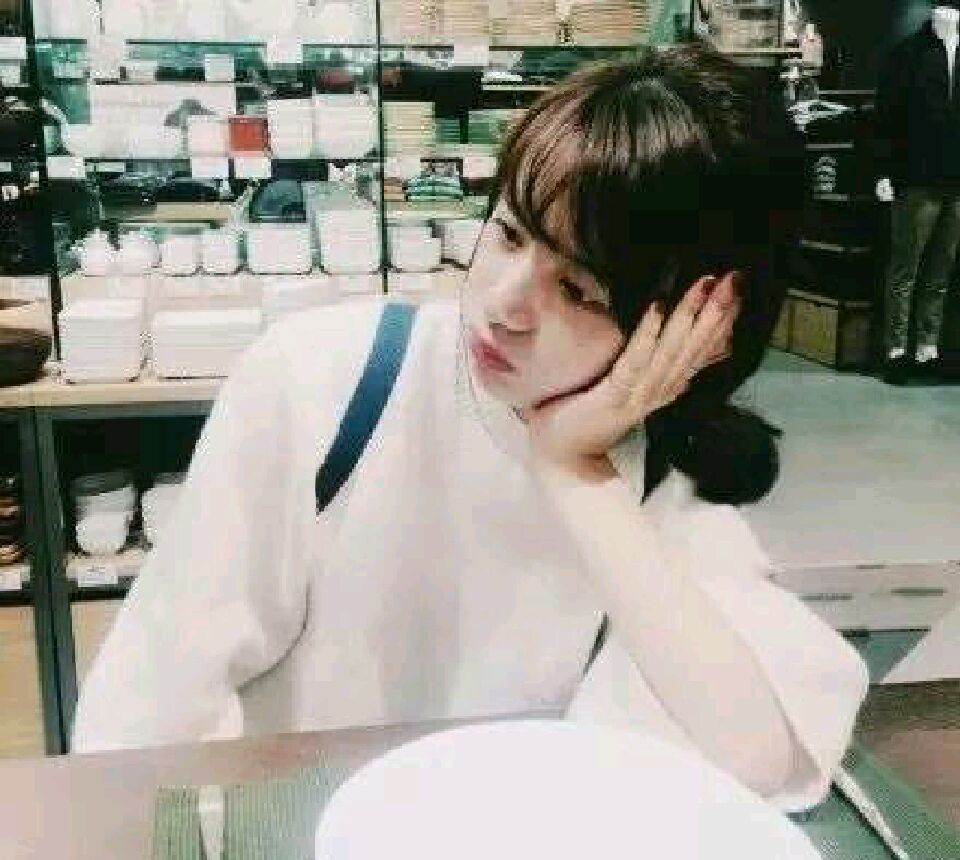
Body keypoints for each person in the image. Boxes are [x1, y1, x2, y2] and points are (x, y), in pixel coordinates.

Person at [73, 45, 869, 813]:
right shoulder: (328, 380)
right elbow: (152, 702)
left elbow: (756, 752)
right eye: (511, 232)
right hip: (298, 848)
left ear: (701, 329)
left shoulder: (655, 470)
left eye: (580, 291)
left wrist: (570, 469)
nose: (505, 303)